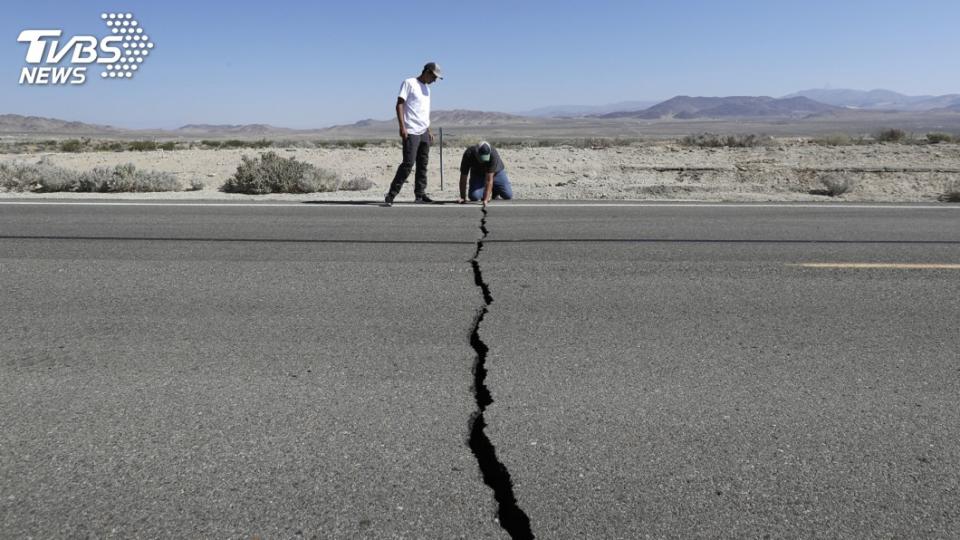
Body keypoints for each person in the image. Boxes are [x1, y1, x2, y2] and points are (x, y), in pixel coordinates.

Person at [384, 62, 442, 206]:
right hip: (411, 131)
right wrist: (402, 127)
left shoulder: (427, 90)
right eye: (434, 77)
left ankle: (420, 194)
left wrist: (428, 130)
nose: (435, 80)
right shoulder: (409, 83)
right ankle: (391, 194)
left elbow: (423, 112)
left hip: (423, 131)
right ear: (427, 72)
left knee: (423, 165)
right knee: (408, 164)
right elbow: (399, 104)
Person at [458, 141, 514, 206]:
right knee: (474, 197)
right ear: (476, 152)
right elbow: (463, 177)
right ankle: (486, 189)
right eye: (481, 157)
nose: (483, 161)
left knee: (508, 195)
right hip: (478, 174)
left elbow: (489, 179)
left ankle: (494, 191)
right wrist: (463, 197)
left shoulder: (493, 154)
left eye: (485, 158)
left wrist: (486, 199)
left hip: (495, 173)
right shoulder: (468, 154)